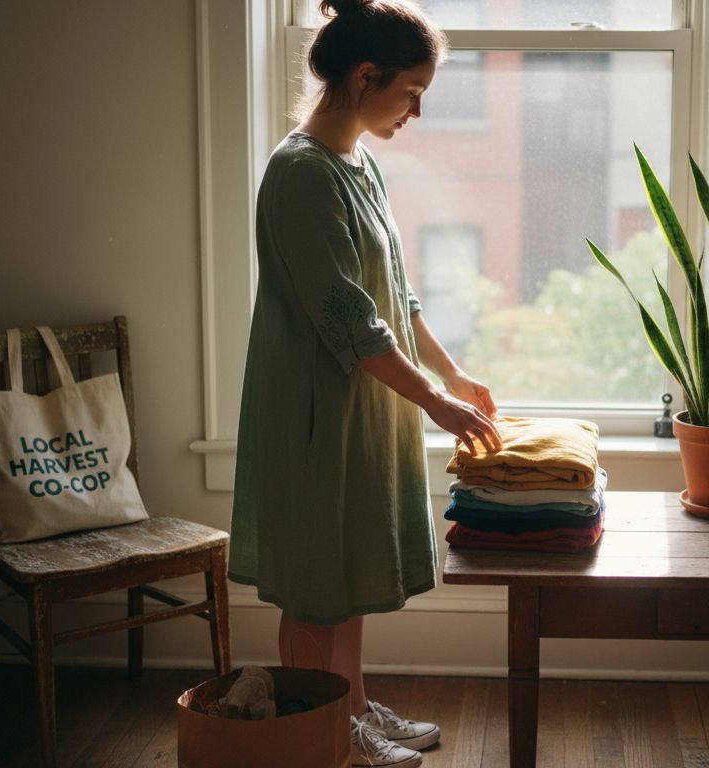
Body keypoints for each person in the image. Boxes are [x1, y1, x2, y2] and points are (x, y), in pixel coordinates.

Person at [229, 1, 502, 766]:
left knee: (345, 574)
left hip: (366, 402)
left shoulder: (360, 162)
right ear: (364, 76)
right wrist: (436, 403)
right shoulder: (299, 175)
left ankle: (348, 707)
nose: (418, 108)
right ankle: (323, 726)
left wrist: (451, 371)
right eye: (410, 90)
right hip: (316, 410)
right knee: (317, 584)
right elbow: (354, 322)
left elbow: (395, 292)